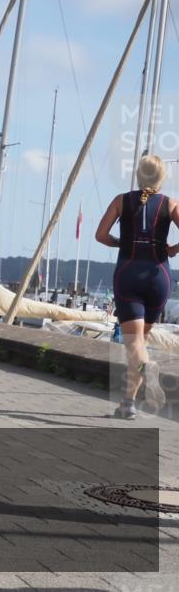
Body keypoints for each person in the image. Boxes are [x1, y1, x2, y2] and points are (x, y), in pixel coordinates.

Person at [95, 155, 179, 419]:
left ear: (138, 176)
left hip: (128, 274)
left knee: (134, 344)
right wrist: (174, 249)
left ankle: (147, 367)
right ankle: (128, 403)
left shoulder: (121, 201)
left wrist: (122, 242)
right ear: (162, 179)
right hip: (159, 277)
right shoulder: (170, 204)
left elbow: (100, 235)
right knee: (140, 342)